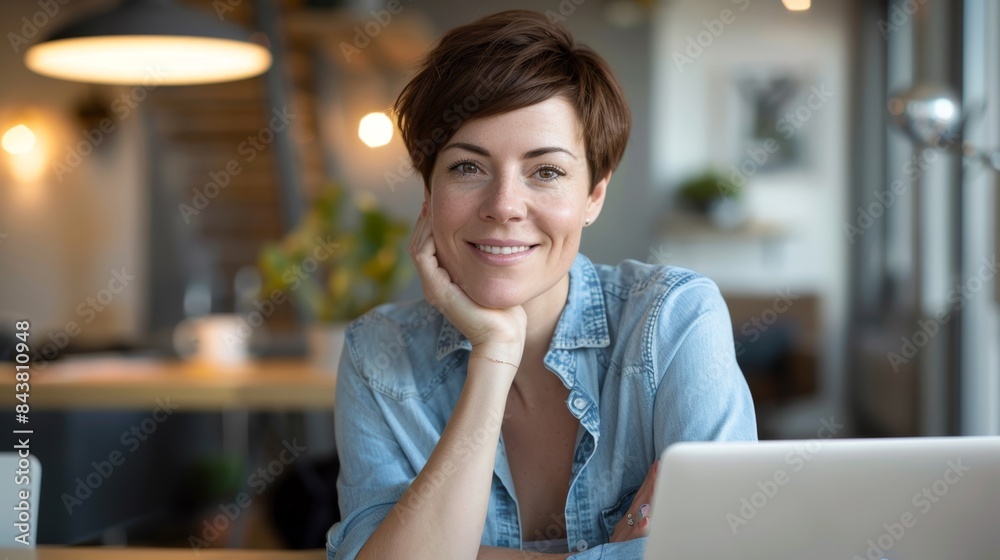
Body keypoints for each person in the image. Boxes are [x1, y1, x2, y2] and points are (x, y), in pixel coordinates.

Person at [326, 10, 757, 560]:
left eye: (546, 171)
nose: (504, 206)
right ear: (428, 194)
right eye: (466, 167)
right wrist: (494, 354)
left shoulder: (673, 319)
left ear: (593, 196)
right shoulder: (378, 352)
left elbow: (727, 551)